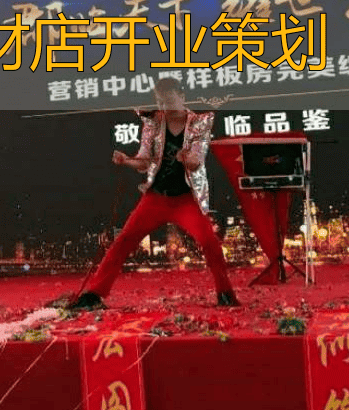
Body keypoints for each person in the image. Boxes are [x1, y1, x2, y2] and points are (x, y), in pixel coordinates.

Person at [69, 77, 239, 310]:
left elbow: (197, 161)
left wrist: (186, 158)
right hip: (156, 198)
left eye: (168, 101)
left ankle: (225, 292)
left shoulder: (199, 123)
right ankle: (94, 293)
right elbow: (143, 161)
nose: (164, 107)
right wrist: (126, 160)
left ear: (182, 97)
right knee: (124, 240)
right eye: (160, 102)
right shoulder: (154, 123)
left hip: (186, 199)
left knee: (209, 241)